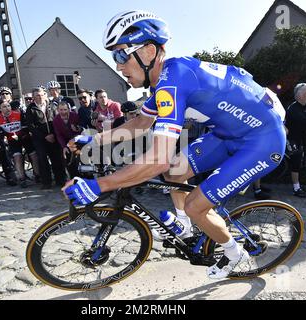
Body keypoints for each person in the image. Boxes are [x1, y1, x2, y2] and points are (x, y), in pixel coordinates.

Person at [63, 10, 287, 280]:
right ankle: (185, 225)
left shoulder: (173, 83)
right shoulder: (165, 81)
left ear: (148, 51)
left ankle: (234, 253)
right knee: (174, 169)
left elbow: (156, 159)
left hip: (262, 141)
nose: (119, 66)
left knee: (195, 204)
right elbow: (139, 124)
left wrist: (100, 185)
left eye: (121, 55)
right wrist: (94, 139)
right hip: (226, 134)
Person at [25, 87, 67, 189]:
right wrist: (45, 136)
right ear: (34, 97)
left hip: (53, 137)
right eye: (37, 95)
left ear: (45, 95)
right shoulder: (30, 108)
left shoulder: (52, 106)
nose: (40, 97)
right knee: (42, 160)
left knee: (57, 159)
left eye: (41, 95)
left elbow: (57, 121)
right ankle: (46, 182)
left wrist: (53, 134)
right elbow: (31, 126)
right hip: (40, 139)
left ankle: (60, 180)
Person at [0, 101, 40, 188]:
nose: (7, 108)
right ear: (0, 109)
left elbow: (25, 127)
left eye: (8, 106)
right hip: (11, 140)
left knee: (33, 155)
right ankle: (22, 179)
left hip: (24, 137)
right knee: (17, 157)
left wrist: (20, 135)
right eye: (4, 107)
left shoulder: (18, 114)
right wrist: (5, 137)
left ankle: (37, 175)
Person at [53, 101, 82, 179]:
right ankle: (73, 178)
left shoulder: (74, 116)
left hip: (76, 139)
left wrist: (77, 129)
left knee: (78, 159)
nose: (63, 112)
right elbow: (58, 135)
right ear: (58, 110)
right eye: (61, 110)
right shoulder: (56, 119)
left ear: (69, 109)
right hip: (65, 140)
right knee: (67, 159)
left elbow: (81, 129)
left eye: (65, 109)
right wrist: (64, 146)